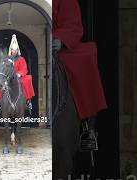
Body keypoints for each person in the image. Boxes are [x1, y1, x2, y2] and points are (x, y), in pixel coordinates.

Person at [53, 0, 107, 178]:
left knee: (85, 59)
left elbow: (72, 24)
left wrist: (60, 39)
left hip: (57, 48)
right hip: (31, 42)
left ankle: (87, 127)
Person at [0, 34, 35, 111]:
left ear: (17, 50)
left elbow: (24, 69)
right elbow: (3, 67)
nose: (14, 51)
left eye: (16, 50)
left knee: (28, 79)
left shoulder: (21, 59)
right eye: (13, 50)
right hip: (7, 76)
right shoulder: (7, 58)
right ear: (11, 50)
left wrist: (19, 73)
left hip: (18, 76)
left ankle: (28, 101)